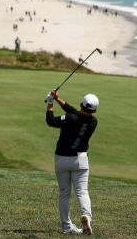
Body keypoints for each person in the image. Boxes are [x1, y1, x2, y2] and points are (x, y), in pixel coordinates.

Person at [45, 90, 99, 235]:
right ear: (95, 110)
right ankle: (86, 217)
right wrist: (57, 99)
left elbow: (51, 121)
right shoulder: (93, 122)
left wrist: (50, 102)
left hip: (62, 159)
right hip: (80, 161)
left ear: (81, 104)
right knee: (82, 192)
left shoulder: (70, 118)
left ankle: (66, 227)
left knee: (64, 193)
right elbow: (77, 113)